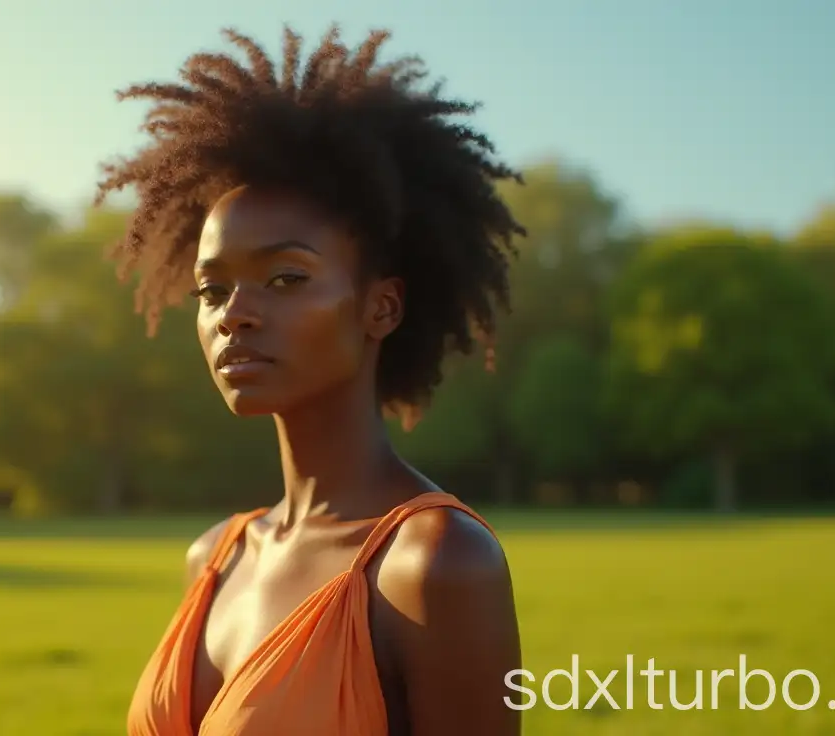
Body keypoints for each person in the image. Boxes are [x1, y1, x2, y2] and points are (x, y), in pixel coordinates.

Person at [94, 23, 527, 736]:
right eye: (212, 290)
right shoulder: (215, 556)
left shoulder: (434, 565)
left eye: (285, 278)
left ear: (380, 306)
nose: (235, 315)